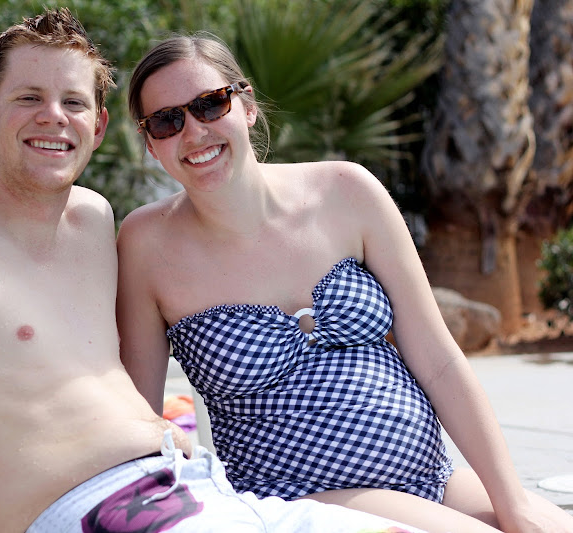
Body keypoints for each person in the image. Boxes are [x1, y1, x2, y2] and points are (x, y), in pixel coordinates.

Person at [0, 9, 426, 533]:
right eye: (29, 98)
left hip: (206, 488)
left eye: (73, 102)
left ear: (99, 127)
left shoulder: (92, 223)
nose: (53, 116)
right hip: (102, 508)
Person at [116, 33, 573, 533]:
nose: (194, 130)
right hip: (293, 499)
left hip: (430, 477)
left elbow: (438, 360)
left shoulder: (346, 191)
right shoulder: (145, 244)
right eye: (167, 120)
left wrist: (512, 500)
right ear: (150, 143)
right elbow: (139, 413)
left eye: (210, 104)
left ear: (246, 105)